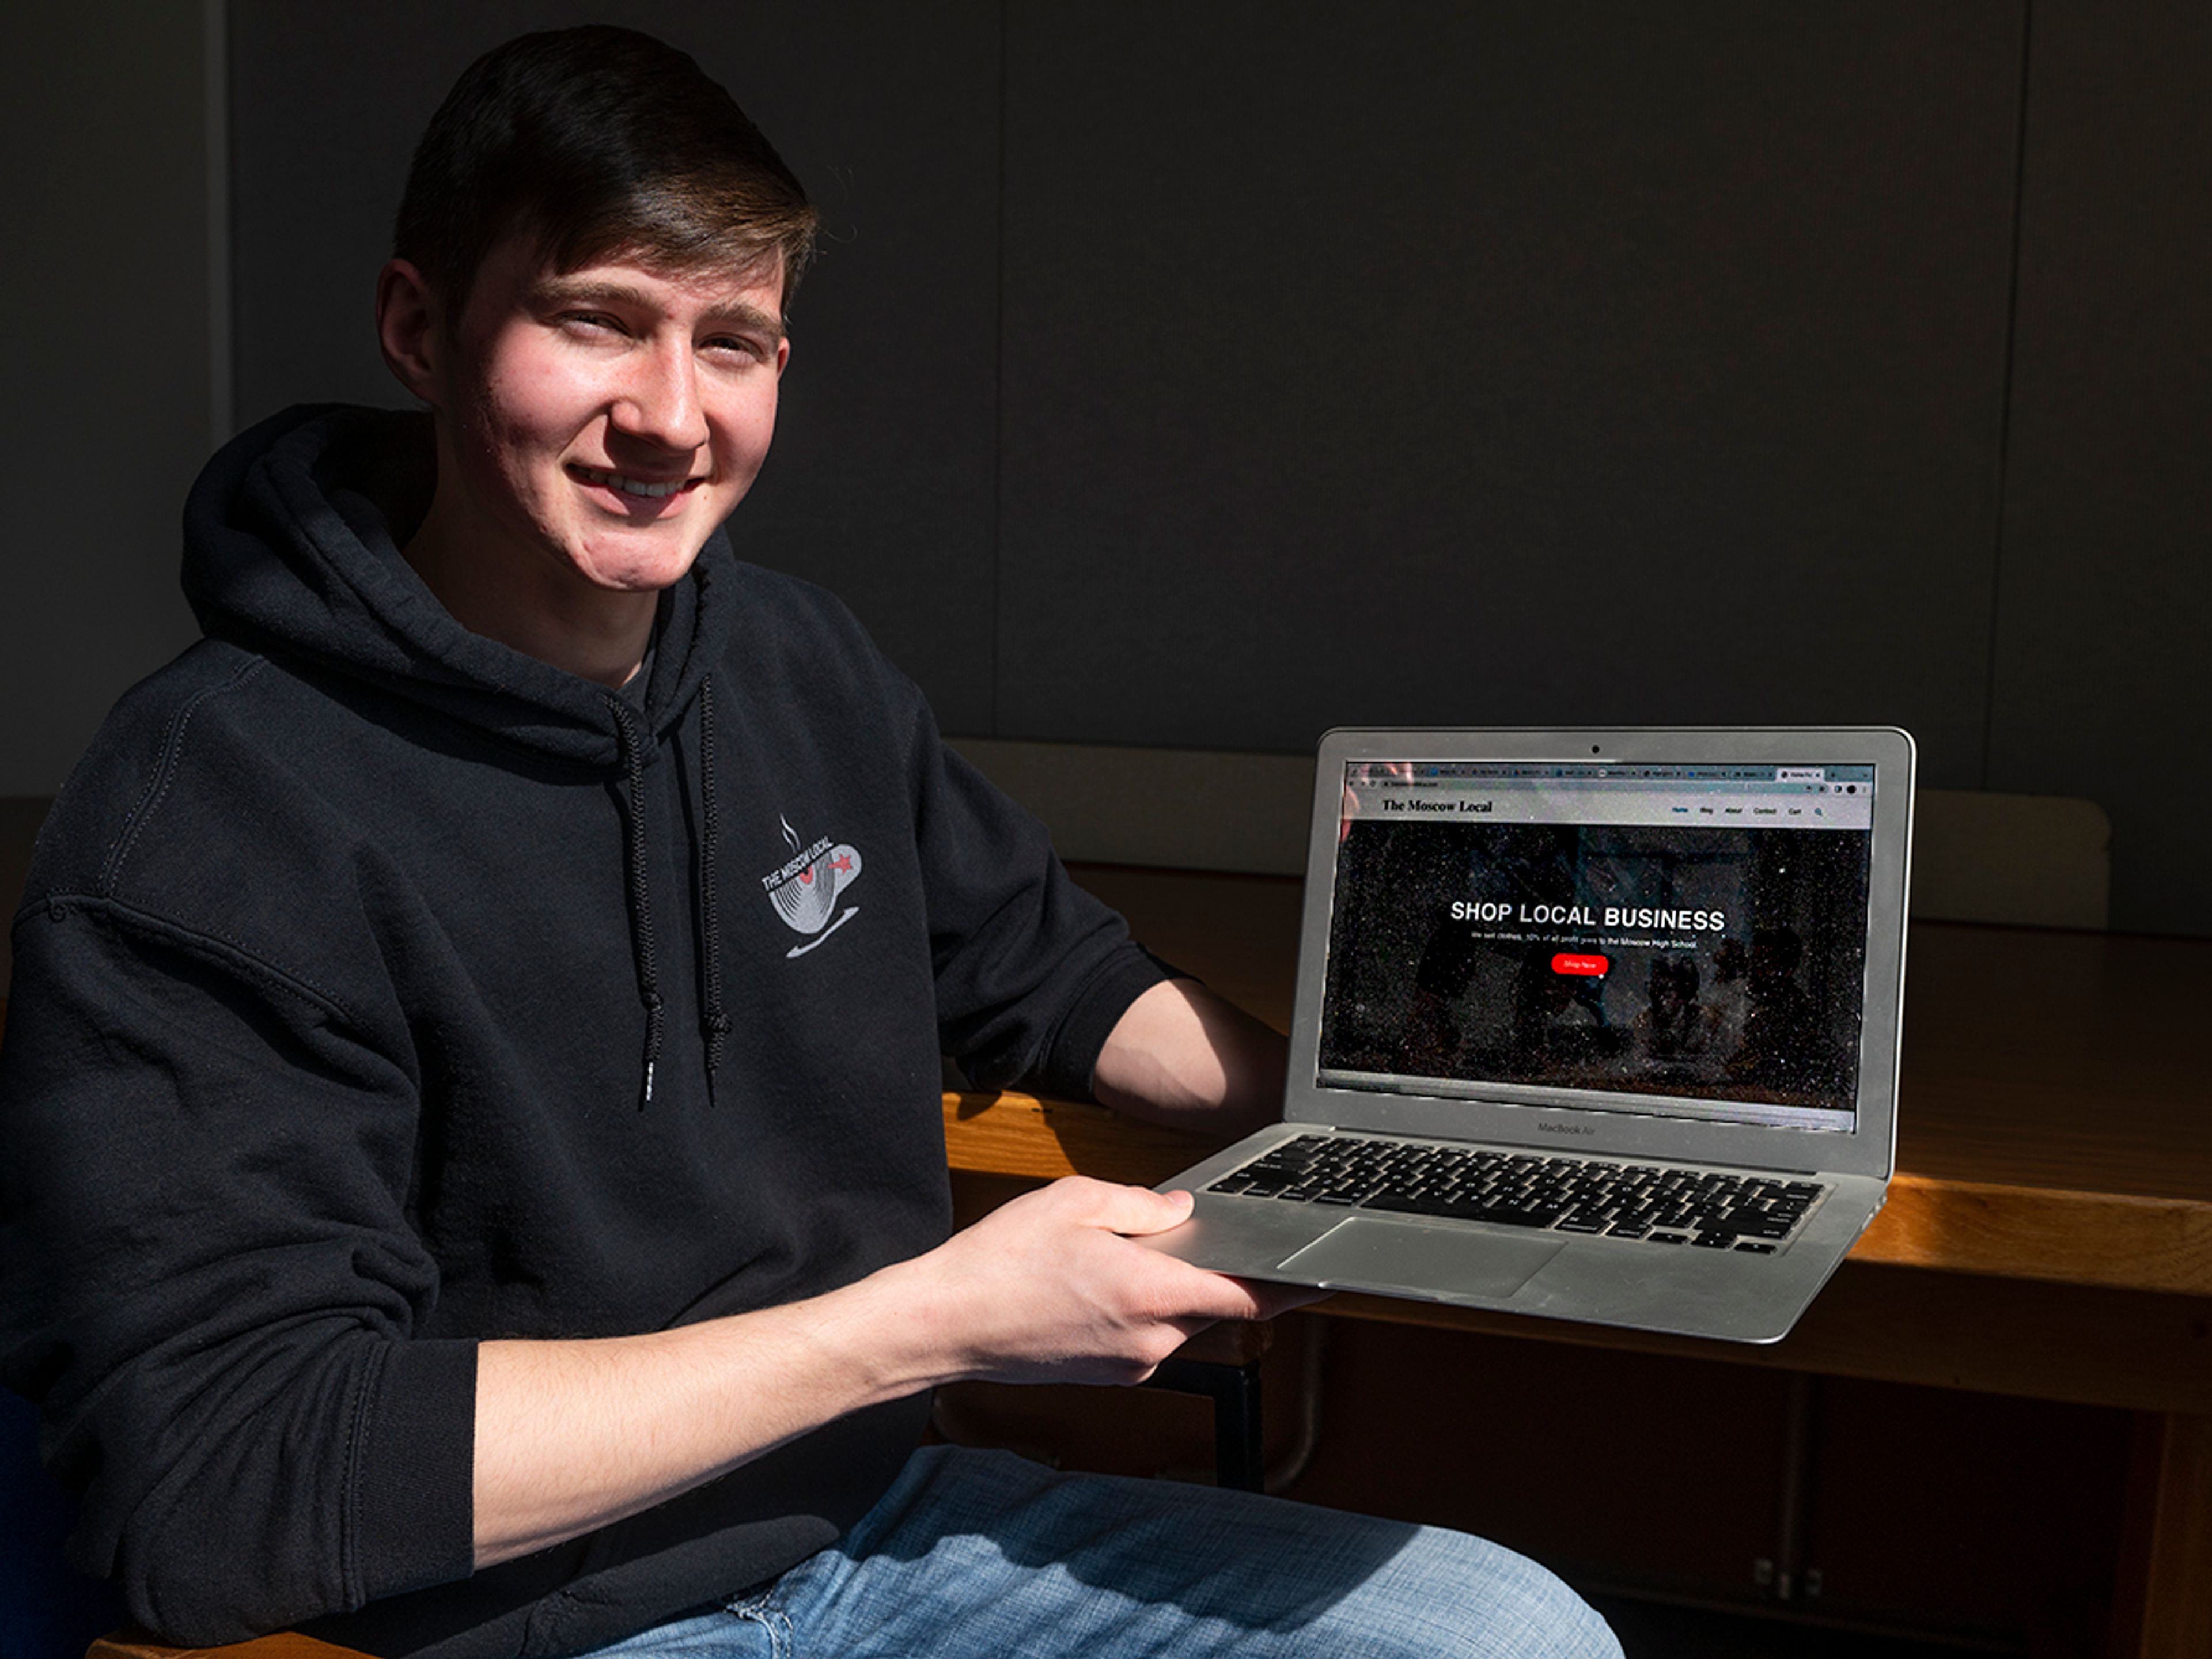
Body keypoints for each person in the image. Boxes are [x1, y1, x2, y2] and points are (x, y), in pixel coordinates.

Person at [0, 26, 1619, 1659]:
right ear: (421, 327)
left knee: (1516, 1634)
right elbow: (216, 1486)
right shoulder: (212, 811)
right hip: (509, 1619)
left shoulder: (797, 662)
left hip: (869, 1528)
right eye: (597, 324)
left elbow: (1032, 964)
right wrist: (934, 1323)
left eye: (736, 343)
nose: (670, 417)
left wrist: (1372, 1124)